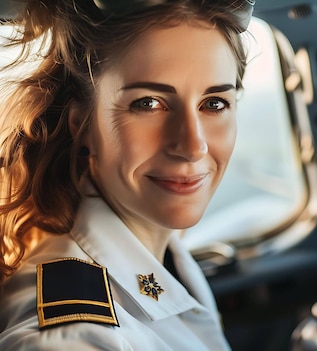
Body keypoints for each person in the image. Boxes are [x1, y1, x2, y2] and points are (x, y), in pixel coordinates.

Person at [0, 0, 254, 349]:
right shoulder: (76, 334)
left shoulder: (163, 251)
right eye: (148, 103)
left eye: (214, 104)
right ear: (82, 125)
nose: (193, 146)